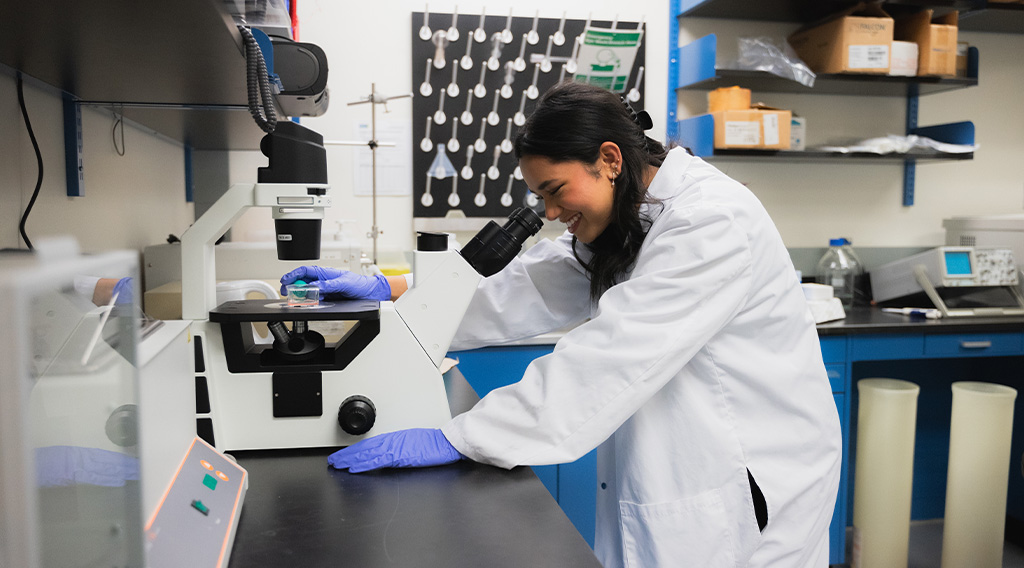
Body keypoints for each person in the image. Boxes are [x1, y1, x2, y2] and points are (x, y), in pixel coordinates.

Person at [280, 82, 842, 567]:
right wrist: (395, 291)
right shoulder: (634, 218)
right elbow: (522, 288)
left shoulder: (710, 221)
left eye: (554, 191)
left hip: (748, 478)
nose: (549, 213)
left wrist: (463, 435)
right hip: (689, 465)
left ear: (610, 159)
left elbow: (614, 355)